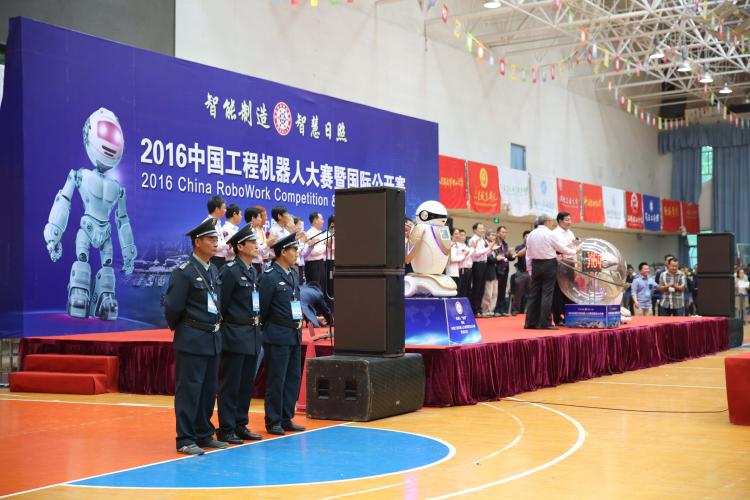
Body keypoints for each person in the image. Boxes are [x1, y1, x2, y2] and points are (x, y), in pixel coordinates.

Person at [164, 218, 226, 455]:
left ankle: (203, 433)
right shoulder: (185, 272)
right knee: (189, 390)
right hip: (192, 338)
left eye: (216, 239)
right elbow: (173, 307)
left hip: (212, 338)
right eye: (210, 239)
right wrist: (185, 329)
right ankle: (185, 438)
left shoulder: (212, 269)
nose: (215, 243)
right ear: (197, 242)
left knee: (209, 390)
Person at [215, 224, 265, 445]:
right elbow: (221, 305)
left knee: (245, 384)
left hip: (251, 334)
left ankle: (240, 424)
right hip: (234, 334)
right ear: (240, 246)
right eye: (252, 242)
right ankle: (226, 428)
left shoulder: (252, 271)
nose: (256, 245)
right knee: (231, 384)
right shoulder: (230, 271)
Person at [259, 233, 306, 436]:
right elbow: (262, 308)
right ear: (283, 252)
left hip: (294, 333)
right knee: (276, 380)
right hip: (277, 334)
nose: (296, 253)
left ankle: (286, 417)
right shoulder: (269, 277)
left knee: (292, 378)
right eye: (294, 249)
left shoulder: (293, 274)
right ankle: (273, 420)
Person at [524, 214, 576, 330]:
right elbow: (561, 248)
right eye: (551, 221)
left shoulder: (531, 234)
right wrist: (574, 251)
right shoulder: (550, 234)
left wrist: (530, 269)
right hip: (548, 265)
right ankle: (545, 323)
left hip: (536, 265)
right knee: (547, 294)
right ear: (546, 221)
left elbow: (528, 254)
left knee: (534, 295)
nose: (552, 223)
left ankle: (530, 322)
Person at [551, 212, 576, 325]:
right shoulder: (554, 233)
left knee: (570, 291)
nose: (569, 222)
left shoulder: (571, 233)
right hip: (559, 264)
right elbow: (560, 249)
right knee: (558, 291)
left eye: (570, 219)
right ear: (560, 221)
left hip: (570, 264)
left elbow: (574, 249)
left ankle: (569, 315)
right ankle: (557, 317)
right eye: (567, 220)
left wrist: (576, 263)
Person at [468, 223, 497, 316]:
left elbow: (485, 254)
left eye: (483, 228)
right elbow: (475, 253)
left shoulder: (482, 240)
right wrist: (488, 248)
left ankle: (479, 309)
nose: (482, 230)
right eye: (480, 228)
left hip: (484, 264)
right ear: (474, 230)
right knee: (476, 287)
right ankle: (474, 310)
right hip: (477, 264)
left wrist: (491, 249)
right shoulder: (473, 240)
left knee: (481, 288)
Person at [493, 226, 514, 317]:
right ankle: (496, 309)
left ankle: (502, 310)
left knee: (503, 291)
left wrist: (512, 256)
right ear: (498, 233)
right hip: (497, 269)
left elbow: (506, 257)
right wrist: (506, 253)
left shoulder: (505, 244)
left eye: (505, 232)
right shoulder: (495, 243)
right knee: (497, 291)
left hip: (505, 269)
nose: (504, 234)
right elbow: (499, 256)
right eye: (503, 232)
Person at [303, 212, 327, 288]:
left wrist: (324, 247)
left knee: (321, 287)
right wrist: (324, 247)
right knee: (314, 288)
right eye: (321, 219)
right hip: (312, 265)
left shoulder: (320, 232)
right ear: (315, 220)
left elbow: (323, 247)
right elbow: (314, 252)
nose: (323, 221)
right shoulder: (309, 233)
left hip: (321, 263)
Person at [511, 230, 530, 316]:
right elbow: (518, 254)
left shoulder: (534, 247)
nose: (528, 238)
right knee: (518, 292)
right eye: (526, 236)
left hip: (531, 272)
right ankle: (515, 310)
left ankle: (531, 311)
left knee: (532, 293)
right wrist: (527, 247)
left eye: (530, 236)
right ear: (523, 238)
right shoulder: (519, 246)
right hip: (521, 272)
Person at [245, 206, 270, 274]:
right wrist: (267, 244)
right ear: (253, 218)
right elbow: (255, 249)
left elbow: (261, 250)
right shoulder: (249, 232)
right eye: (259, 217)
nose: (260, 219)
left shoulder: (255, 230)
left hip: (259, 263)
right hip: (252, 263)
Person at [206, 196, 228, 269]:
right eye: (224, 208)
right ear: (217, 209)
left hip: (220, 260)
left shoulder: (217, 223)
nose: (225, 210)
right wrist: (228, 244)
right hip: (213, 260)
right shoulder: (208, 224)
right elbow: (211, 245)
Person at [481, 232, 499, 317]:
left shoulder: (495, 245)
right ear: (487, 236)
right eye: (492, 235)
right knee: (488, 293)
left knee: (494, 293)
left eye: (495, 235)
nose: (494, 236)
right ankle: (485, 310)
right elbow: (488, 258)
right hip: (487, 271)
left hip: (495, 271)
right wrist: (497, 259)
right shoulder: (485, 245)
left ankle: (491, 310)